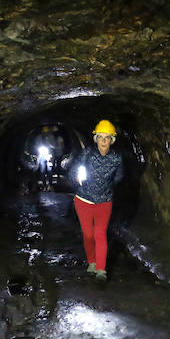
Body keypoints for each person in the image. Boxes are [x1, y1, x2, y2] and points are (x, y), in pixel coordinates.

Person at [69, 119, 124, 283]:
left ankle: (101, 270)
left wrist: (108, 187)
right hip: (83, 200)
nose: (104, 141)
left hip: (104, 202)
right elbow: (74, 169)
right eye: (100, 137)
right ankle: (92, 261)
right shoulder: (87, 154)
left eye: (107, 137)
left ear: (112, 140)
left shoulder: (117, 158)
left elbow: (120, 175)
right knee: (88, 234)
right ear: (96, 139)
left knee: (99, 234)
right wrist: (77, 178)